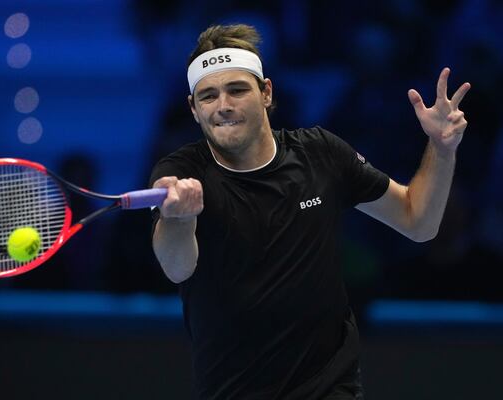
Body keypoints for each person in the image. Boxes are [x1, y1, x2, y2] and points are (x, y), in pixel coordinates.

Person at [149, 24, 470, 400]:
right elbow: (176, 266)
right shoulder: (180, 171)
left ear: (266, 92)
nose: (223, 106)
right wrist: (179, 218)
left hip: (331, 389)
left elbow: (419, 222)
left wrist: (442, 148)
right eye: (208, 96)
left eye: (237, 90)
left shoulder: (320, 153)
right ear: (193, 108)